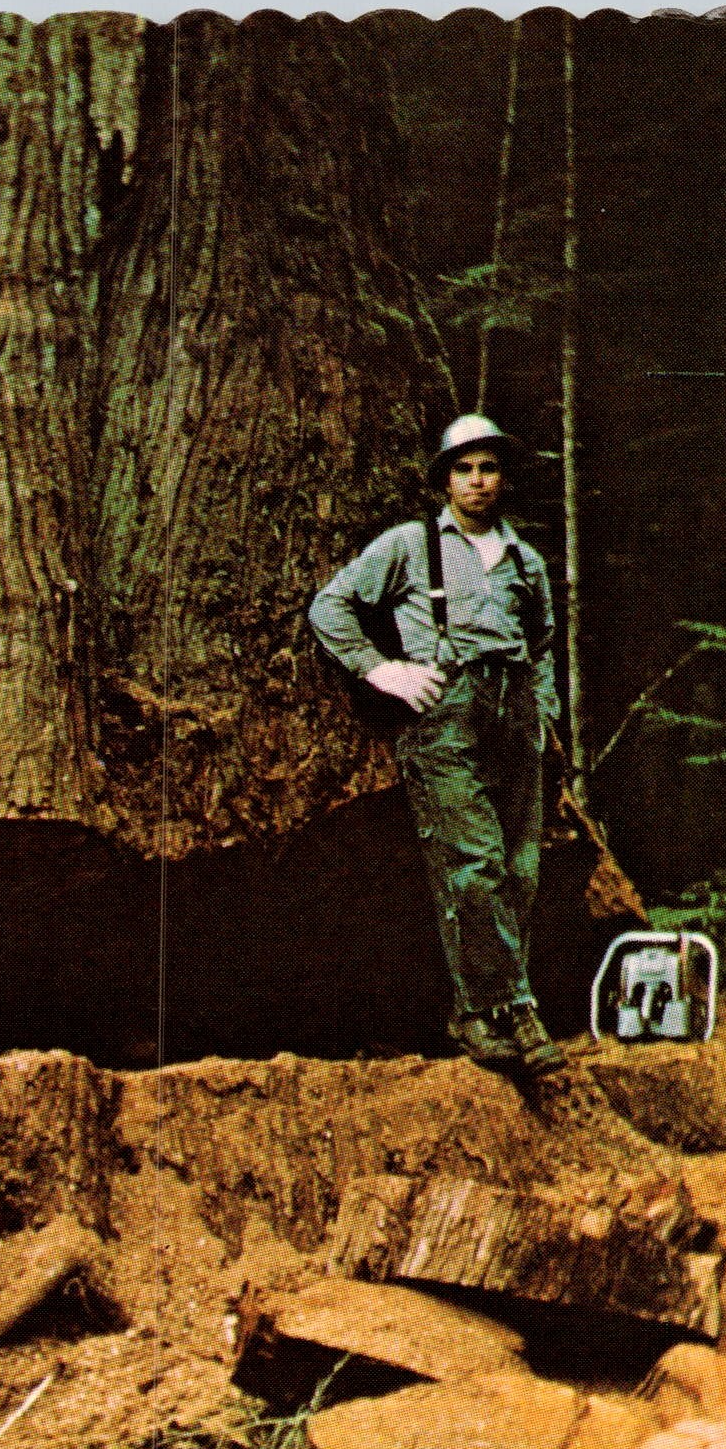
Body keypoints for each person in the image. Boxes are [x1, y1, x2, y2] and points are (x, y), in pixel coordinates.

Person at [308, 414, 566, 1073]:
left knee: (519, 871)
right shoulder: (410, 545)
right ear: (444, 479)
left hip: (512, 717)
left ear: (502, 477)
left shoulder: (524, 560)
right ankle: (510, 1011)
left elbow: (539, 644)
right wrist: (384, 670)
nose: (476, 481)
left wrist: (540, 711)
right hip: (444, 714)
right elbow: (329, 607)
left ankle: (479, 1009)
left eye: (487, 468)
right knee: (473, 863)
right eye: (463, 468)